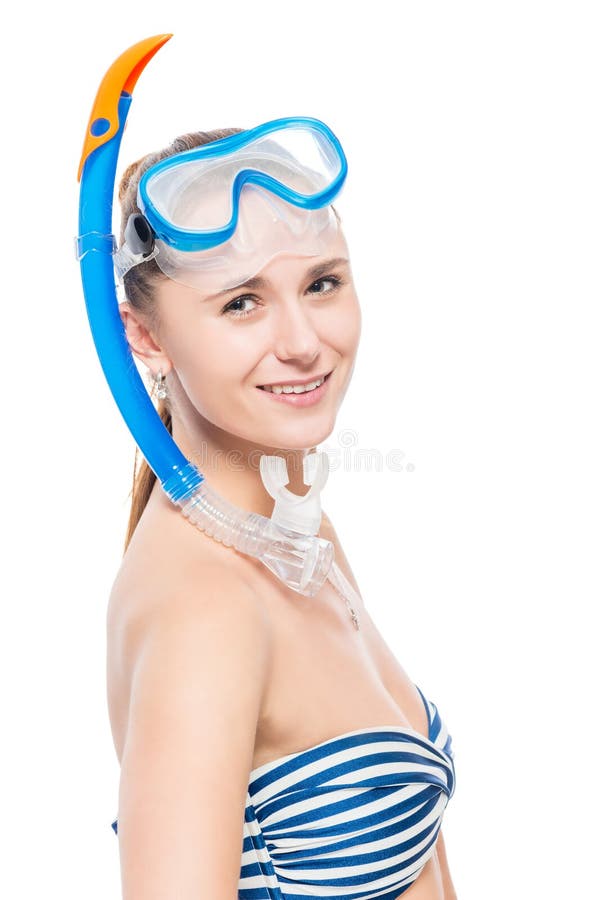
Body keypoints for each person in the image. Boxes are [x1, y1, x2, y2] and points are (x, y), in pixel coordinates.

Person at [104, 126, 458, 899]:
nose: (303, 342)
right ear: (143, 335)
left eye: (322, 284)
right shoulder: (207, 608)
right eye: (242, 303)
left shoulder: (298, 531)